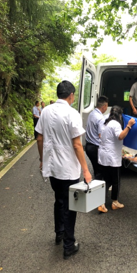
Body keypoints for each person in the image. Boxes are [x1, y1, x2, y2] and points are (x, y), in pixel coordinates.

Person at [35, 80, 92, 259]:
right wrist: (86, 170)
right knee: (70, 206)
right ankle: (69, 244)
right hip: (68, 170)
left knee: (59, 199)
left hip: (52, 168)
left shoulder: (46, 111)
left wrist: (42, 160)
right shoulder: (72, 113)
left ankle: (59, 233)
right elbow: (77, 144)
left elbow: (39, 139)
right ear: (71, 95)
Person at [97, 106, 136, 212]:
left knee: (106, 180)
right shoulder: (115, 123)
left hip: (103, 155)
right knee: (116, 181)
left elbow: (102, 136)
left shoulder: (105, 123)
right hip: (112, 157)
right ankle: (114, 202)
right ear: (120, 115)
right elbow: (120, 136)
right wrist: (129, 126)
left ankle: (101, 203)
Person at [85, 96, 108, 185]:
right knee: (100, 171)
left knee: (96, 169)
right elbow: (101, 135)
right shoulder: (101, 118)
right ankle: (97, 193)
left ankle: (96, 188)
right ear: (104, 106)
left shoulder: (92, 114)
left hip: (88, 146)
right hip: (95, 148)